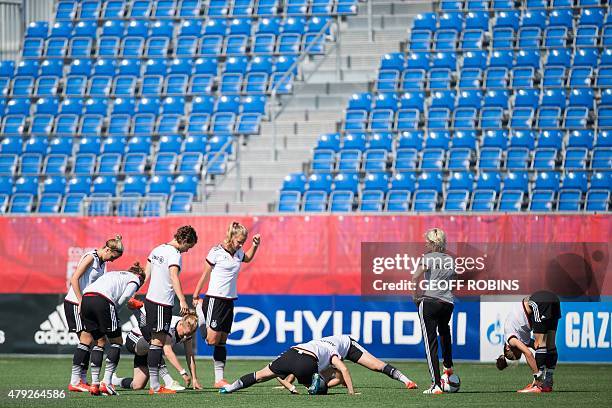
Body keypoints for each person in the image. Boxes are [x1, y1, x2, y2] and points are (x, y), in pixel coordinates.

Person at [192, 221, 261, 388]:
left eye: (243, 242)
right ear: (231, 237)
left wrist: (254, 245)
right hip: (215, 299)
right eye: (239, 241)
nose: (241, 244)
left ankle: (219, 380)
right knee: (211, 340)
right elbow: (204, 275)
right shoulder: (215, 252)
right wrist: (195, 295)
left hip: (229, 300)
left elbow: (248, 258)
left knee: (222, 340)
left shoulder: (238, 252)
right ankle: (201, 312)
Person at [76, 262, 146, 396]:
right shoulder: (135, 278)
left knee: (99, 341)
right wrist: (115, 309)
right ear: (139, 277)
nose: (139, 286)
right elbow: (126, 297)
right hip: (103, 301)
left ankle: (95, 384)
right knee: (117, 342)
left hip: (86, 299)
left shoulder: (113, 274)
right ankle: (106, 383)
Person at [66, 235, 124, 392]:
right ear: (107, 249)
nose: (112, 260)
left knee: (95, 341)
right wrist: (80, 301)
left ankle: (82, 380)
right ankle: (74, 380)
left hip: (87, 305)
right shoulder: (91, 257)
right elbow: (74, 279)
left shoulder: (102, 262)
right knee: (86, 339)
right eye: (113, 256)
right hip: (75, 303)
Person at [144, 225, 198, 394]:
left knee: (155, 342)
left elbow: (145, 275)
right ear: (184, 240)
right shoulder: (174, 254)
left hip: (149, 300)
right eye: (188, 247)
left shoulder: (157, 249)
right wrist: (182, 300)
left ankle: (155, 385)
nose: (187, 251)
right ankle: (155, 386)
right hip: (162, 302)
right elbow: (173, 276)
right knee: (157, 344)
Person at [275, 335, 417, 393]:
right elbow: (292, 370)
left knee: (376, 366)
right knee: (336, 378)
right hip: (329, 353)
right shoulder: (308, 360)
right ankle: (333, 383)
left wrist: (351, 392)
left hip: (347, 346)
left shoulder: (314, 361)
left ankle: (407, 381)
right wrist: (288, 385)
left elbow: (344, 369)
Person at [220, 336, 356, 395]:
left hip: (290, 353)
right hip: (306, 362)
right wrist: (351, 392)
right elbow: (343, 369)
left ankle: (229, 388)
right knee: (320, 388)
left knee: (260, 375)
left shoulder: (315, 343)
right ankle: (313, 388)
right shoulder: (333, 351)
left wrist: (289, 386)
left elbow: (278, 374)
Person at [412, 228, 456, 395]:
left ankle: (436, 384)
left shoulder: (427, 258)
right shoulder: (450, 260)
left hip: (430, 301)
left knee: (430, 343)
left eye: (427, 241)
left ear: (432, 243)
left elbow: (415, 277)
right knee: (445, 332)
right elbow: (454, 279)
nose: (425, 243)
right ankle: (448, 367)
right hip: (447, 302)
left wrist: (415, 297)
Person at [113, 310, 201, 391]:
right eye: (185, 333)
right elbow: (168, 352)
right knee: (156, 345)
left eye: (189, 334)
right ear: (181, 324)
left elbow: (189, 355)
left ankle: (114, 380)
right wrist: (183, 373)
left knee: (137, 385)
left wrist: (194, 378)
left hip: (148, 349)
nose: (185, 337)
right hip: (135, 339)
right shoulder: (169, 326)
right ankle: (169, 381)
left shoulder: (187, 331)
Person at [496, 291, 561, 393]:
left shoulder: (511, 339)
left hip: (537, 301)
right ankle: (547, 382)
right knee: (550, 345)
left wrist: (537, 376)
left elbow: (529, 354)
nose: (519, 354)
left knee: (541, 344)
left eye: (514, 355)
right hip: (554, 299)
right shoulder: (517, 336)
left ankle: (537, 385)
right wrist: (540, 352)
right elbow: (535, 347)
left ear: (508, 348)